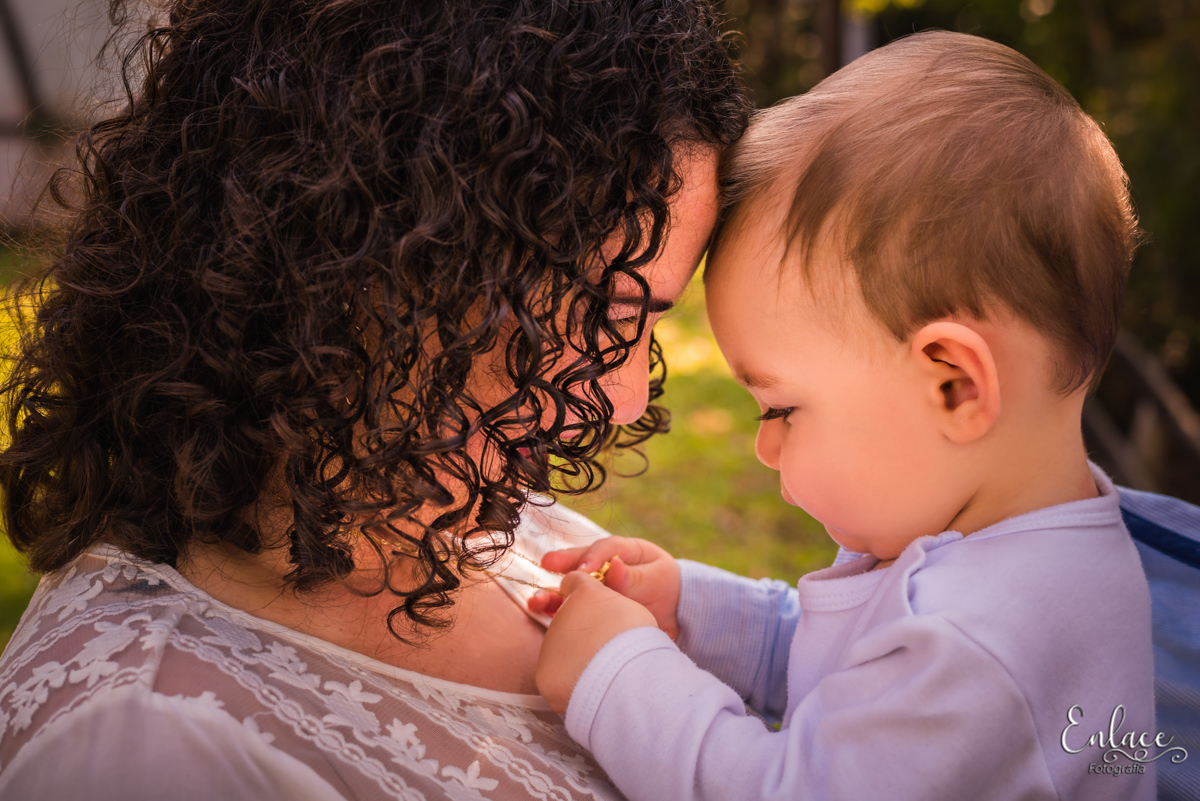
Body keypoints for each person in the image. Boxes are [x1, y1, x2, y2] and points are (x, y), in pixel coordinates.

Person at [0, 1, 748, 798]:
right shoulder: (143, 746)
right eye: (609, 316)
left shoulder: (494, 517)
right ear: (366, 265)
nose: (628, 396)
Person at [533, 31, 1159, 800]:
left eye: (782, 407)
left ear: (954, 386)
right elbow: (847, 665)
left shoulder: (979, 644)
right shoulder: (1009, 556)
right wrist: (690, 604)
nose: (765, 447)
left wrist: (621, 672)